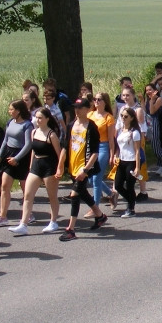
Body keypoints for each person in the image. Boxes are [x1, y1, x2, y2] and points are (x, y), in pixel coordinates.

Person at [59, 98, 108, 240]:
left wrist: (85, 170)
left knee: (74, 195)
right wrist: (60, 166)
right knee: (83, 193)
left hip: (85, 167)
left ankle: (71, 230)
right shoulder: (71, 125)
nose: (77, 110)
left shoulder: (92, 127)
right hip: (73, 167)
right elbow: (65, 147)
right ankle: (100, 216)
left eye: (80, 108)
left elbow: (94, 152)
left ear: (88, 109)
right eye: (76, 107)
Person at [10, 108, 65, 235]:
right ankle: (23, 224)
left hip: (49, 167)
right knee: (28, 195)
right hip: (36, 166)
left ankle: (53, 222)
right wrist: (30, 166)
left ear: (47, 119)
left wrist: (59, 169)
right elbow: (33, 151)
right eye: (36, 117)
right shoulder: (34, 132)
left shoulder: (51, 135)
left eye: (40, 118)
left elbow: (59, 154)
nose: (37, 120)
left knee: (52, 196)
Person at [0, 100, 33, 227]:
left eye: (11, 109)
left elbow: (28, 145)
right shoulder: (10, 122)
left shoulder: (27, 125)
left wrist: (17, 159)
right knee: (4, 186)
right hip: (8, 155)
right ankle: (3, 216)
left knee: (25, 187)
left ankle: (29, 214)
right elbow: (5, 140)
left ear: (19, 110)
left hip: (22, 157)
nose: (9, 112)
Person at [113, 106, 142, 217]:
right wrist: (116, 155)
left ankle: (131, 208)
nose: (123, 118)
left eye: (126, 116)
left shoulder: (134, 132)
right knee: (118, 185)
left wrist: (137, 168)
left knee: (130, 186)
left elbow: (137, 151)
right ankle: (131, 200)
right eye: (121, 116)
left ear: (131, 118)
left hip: (132, 161)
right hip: (122, 160)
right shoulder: (120, 130)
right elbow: (118, 146)